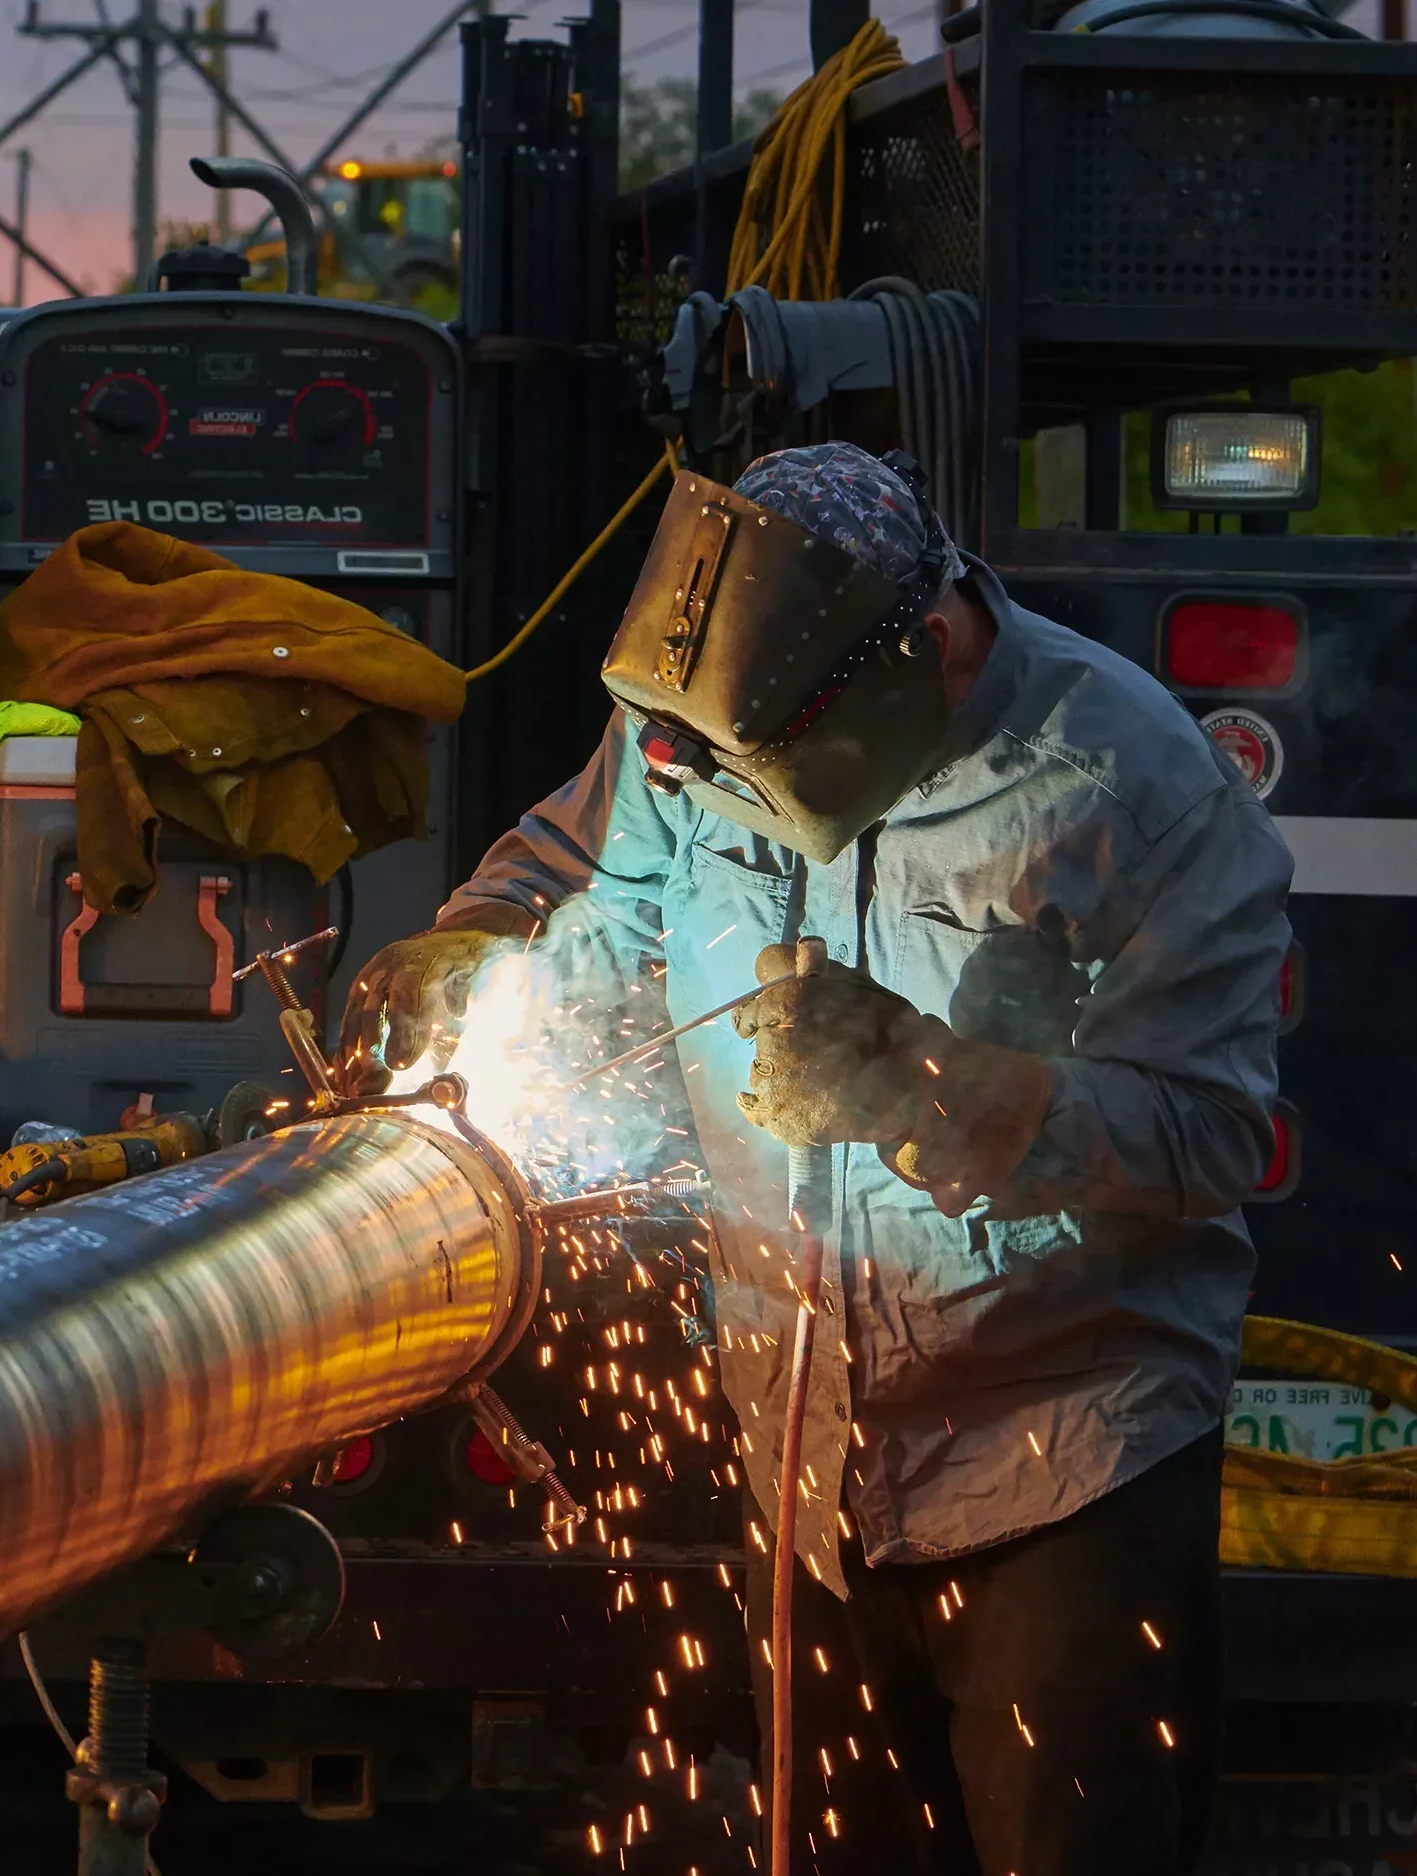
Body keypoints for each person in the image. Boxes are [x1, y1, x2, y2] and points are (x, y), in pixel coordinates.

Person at [339, 442, 1290, 1876]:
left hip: (1058, 1464)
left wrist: (937, 1084)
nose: (706, 783)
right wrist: (484, 954)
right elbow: (596, 884)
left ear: (920, 654)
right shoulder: (695, 723)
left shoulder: (1134, 788)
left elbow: (1213, 1137)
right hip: (808, 1458)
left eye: (749, 766)